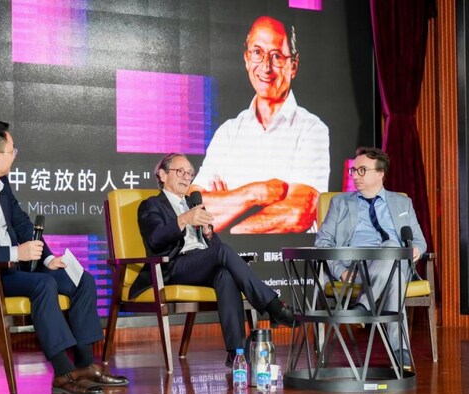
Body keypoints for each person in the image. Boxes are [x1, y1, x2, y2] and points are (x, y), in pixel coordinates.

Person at [0, 119, 128, 394]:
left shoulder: (0, 184)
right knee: (44, 285)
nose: (15, 155)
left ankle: (86, 364)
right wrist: (16, 252)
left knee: (81, 280)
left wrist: (48, 257)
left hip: (9, 271)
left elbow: (22, 223)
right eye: (12, 150)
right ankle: (63, 373)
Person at [133, 153, 297, 367]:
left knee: (225, 275)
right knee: (223, 253)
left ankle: (236, 352)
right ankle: (272, 306)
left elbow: (215, 246)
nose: (186, 177)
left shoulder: (193, 203)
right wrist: (183, 219)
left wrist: (209, 234)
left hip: (201, 263)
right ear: (163, 175)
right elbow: (155, 239)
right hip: (172, 266)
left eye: (190, 173)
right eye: (179, 171)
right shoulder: (151, 205)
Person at [191, 15, 329, 234]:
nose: (266, 67)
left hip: (287, 263)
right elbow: (193, 208)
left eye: (276, 56)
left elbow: (297, 215)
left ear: (293, 65)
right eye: (257, 53)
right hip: (225, 264)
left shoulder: (312, 129)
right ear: (246, 58)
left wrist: (227, 217)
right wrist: (256, 193)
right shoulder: (228, 133)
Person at [314, 147, 427, 369]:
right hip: (356, 269)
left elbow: (420, 241)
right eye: (353, 171)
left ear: (380, 173)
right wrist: (341, 272)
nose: (355, 175)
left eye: (362, 170)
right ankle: (400, 350)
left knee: (393, 248)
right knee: (394, 276)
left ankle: (363, 307)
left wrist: (417, 251)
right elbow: (322, 243)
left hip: (396, 263)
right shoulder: (340, 203)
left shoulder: (402, 203)